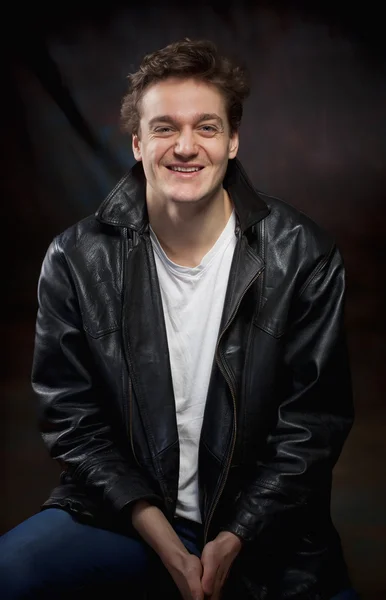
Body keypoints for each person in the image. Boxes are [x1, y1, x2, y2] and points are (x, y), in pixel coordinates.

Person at [0, 38, 358, 600]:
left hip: (267, 533)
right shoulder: (75, 259)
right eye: (165, 127)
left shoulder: (302, 254)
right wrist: (161, 536)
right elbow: (72, 419)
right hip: (126, 518)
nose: (185, 147)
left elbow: (312, 428)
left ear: (233, 141)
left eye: (206, 127)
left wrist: (235, 536)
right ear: (139, 144)